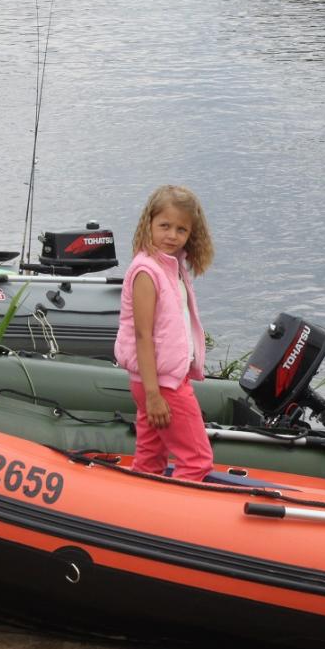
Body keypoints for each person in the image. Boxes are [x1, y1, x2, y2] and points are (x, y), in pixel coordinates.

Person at [114, 185, 216, 481]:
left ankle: (137, 502)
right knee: (197, 460)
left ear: (191, 234)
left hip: (156, 381)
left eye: (181, 229)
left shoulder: (173, 267)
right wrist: (153, 395)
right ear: (149, 224)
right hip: (161, 385)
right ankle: (180, 510)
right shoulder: (147, 272)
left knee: (150, 457)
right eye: (164, 226)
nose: (172, 235)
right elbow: (142, 336)